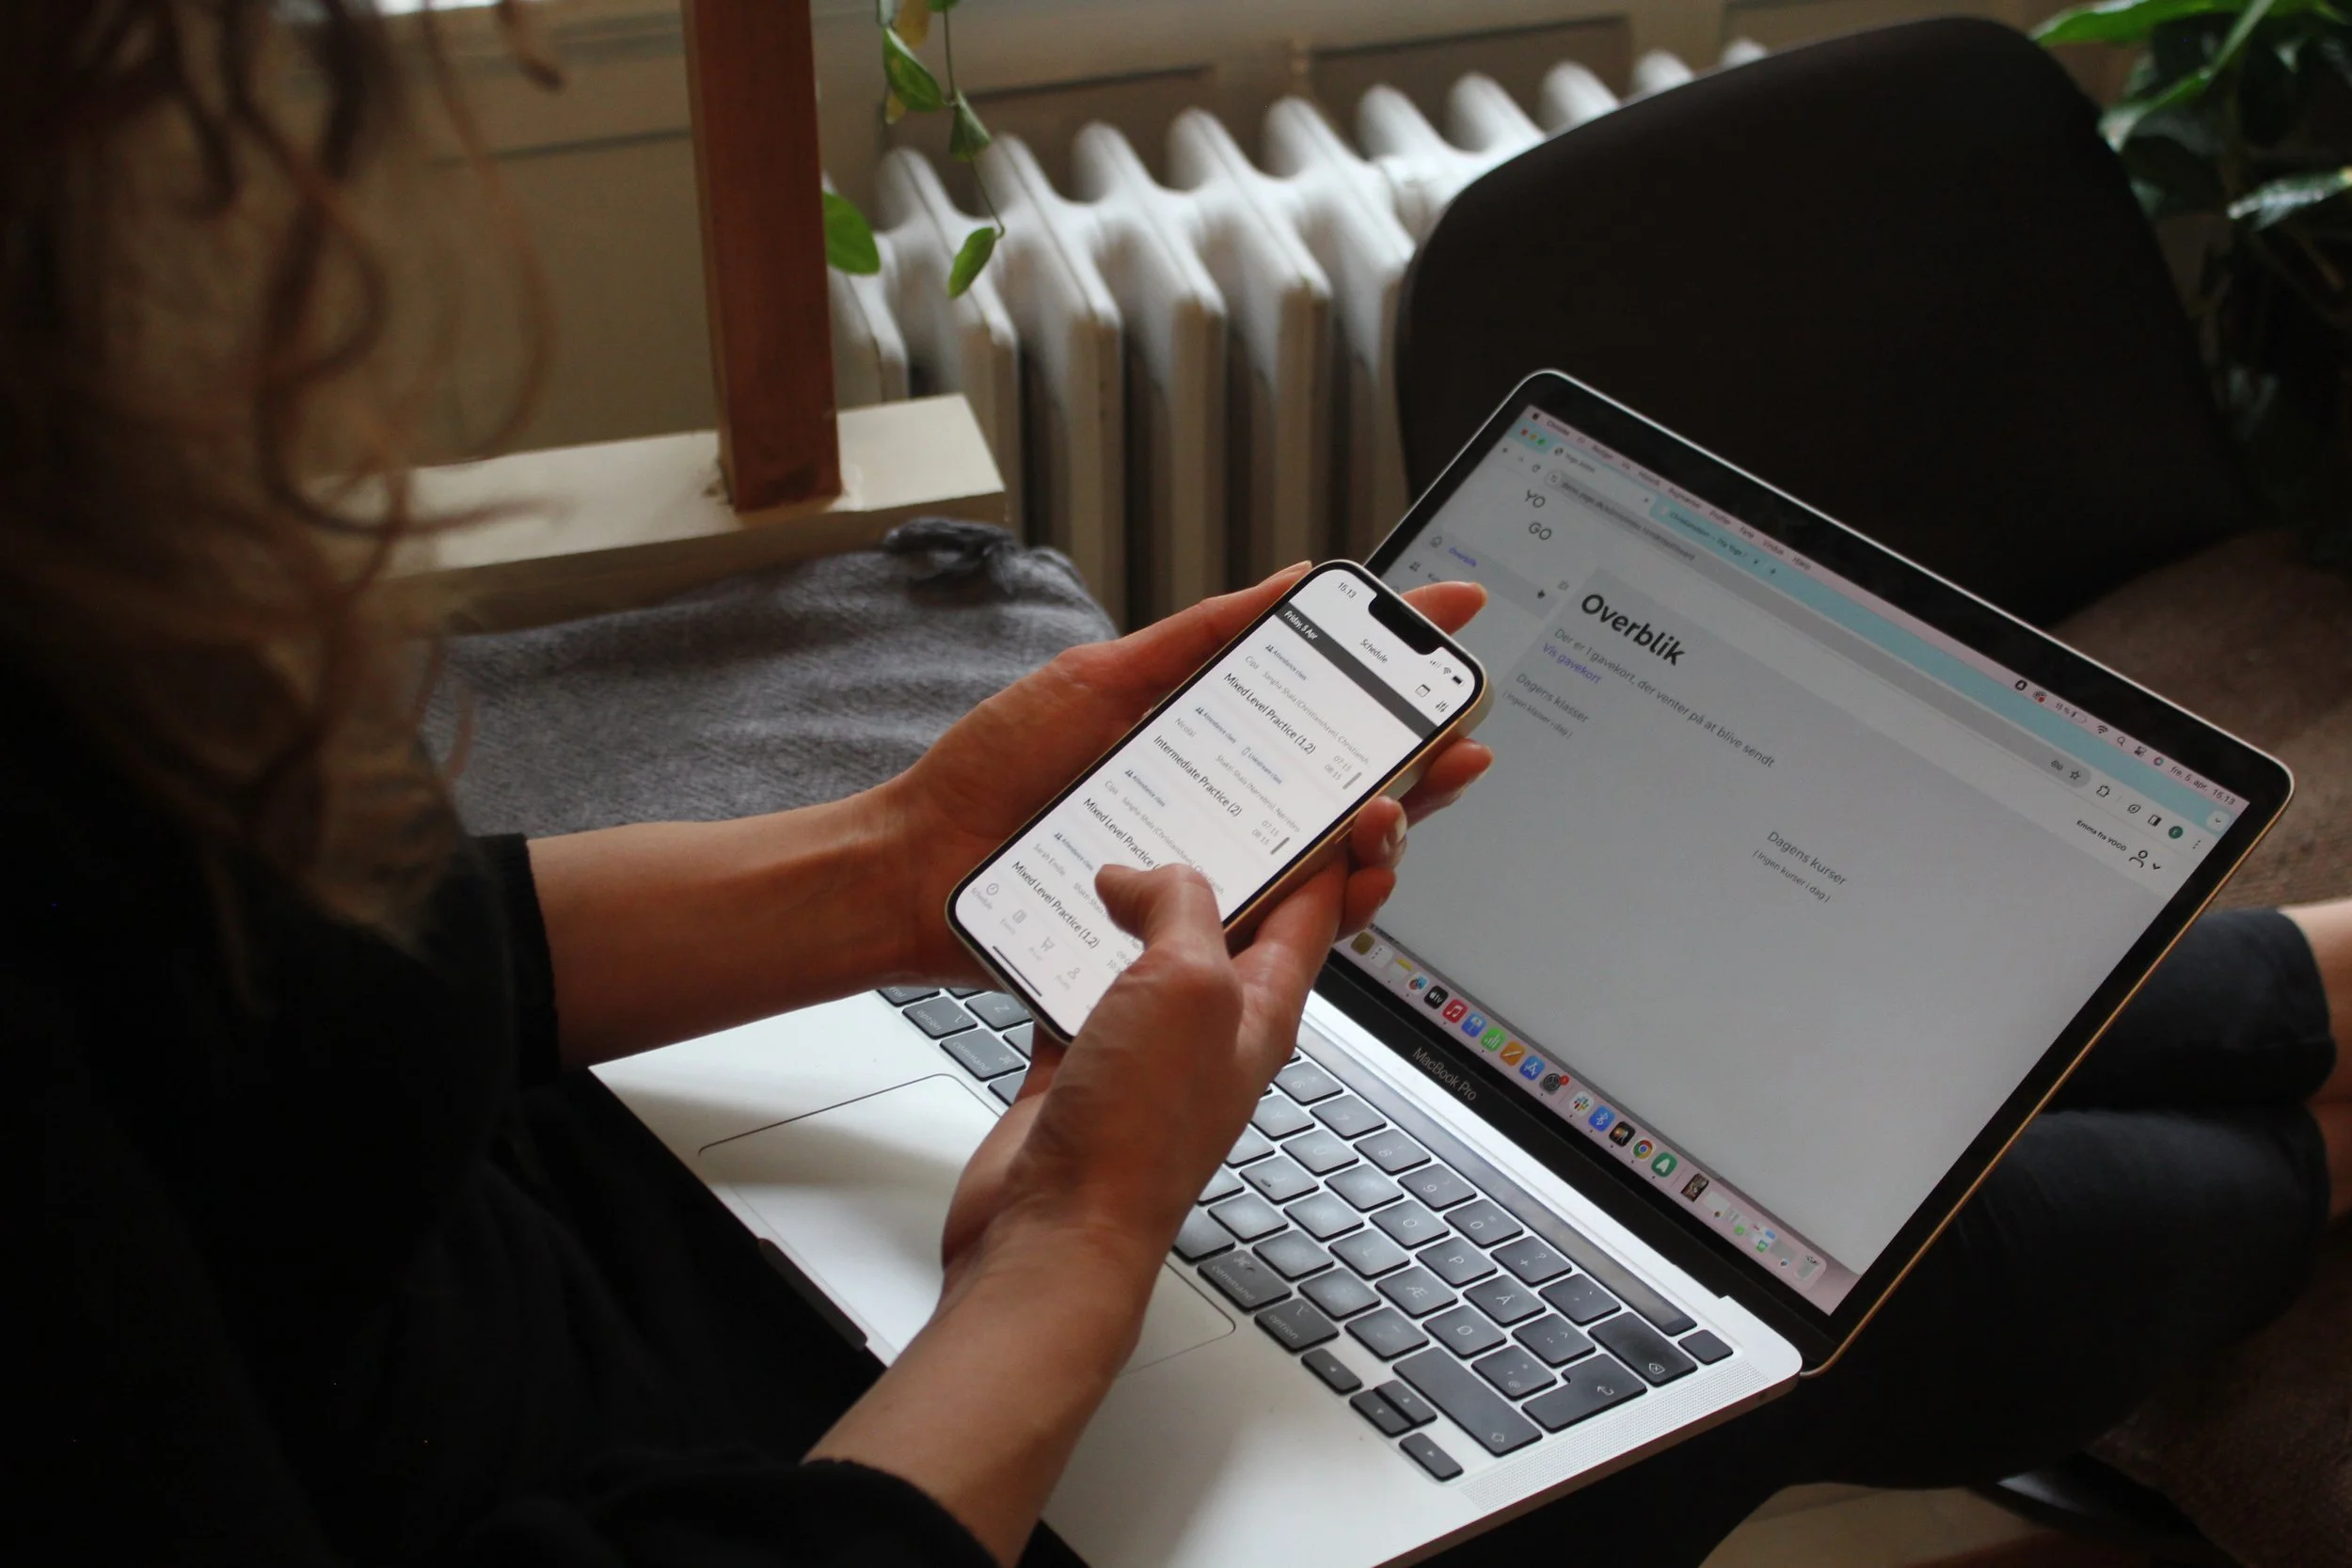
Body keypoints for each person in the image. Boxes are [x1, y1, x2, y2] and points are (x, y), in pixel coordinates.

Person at [6, 5, 2344, 1566]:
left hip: (611, 1240)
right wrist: (1072, 1248)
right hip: (814, 1463)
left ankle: (2296, 996)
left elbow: (297, 987)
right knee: (1738, 1307)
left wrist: (896, 863)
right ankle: (2316, 1116)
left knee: (1636, 1149)